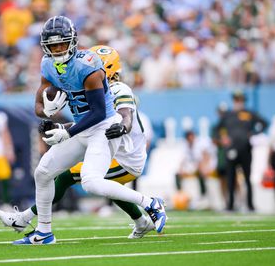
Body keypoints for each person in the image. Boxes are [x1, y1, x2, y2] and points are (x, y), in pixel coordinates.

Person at [10, 16, 166, 245]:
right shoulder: (47, 65)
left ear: (72, 42)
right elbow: (38, 105)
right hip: (84, 129)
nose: (58, 49)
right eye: (53, 45)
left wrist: (67, 132)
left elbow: (99, 113)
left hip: (102, 127)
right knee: (43, 172)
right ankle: (44, 233)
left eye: (62, 43)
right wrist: (47, 111)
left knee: (90, 181)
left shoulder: (89, 66)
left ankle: (150, 203)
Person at [216, 90, 267, 211]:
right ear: (233, 101)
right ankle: (230, 205)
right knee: (230, 179)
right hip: (231, 150)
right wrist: (223, 138)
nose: (238, 102)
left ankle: (250, 205)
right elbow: (217, 130)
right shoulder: (228, 115)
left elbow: (264, 123)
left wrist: (254, 133)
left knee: (247, 178)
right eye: (236, 100)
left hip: (245, 150)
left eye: (241, 100)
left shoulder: (249, 114)